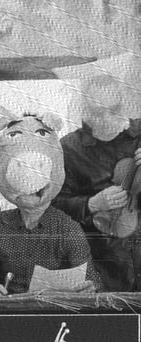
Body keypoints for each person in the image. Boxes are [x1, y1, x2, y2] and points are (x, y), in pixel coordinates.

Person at [0, 108, 102, 295]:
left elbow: (92, 280)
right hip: (9, 312)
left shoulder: (68, 228)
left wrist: (89, 287)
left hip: (52, 312)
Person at [53, 75, 141, 291]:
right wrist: (92, 203)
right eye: (98, 112)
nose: (108, 118)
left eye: (115, 109)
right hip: (101, 261)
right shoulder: (69, 147)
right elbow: (54, 204)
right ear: (85, 110)